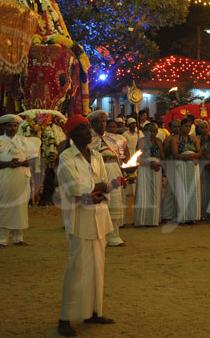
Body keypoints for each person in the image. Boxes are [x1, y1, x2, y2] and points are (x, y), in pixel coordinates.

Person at [57, 114, 115, 337]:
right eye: (82, 128)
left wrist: (98, 190)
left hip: (99, 215)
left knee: (98, 267)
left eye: (88, 128)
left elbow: (104, 184)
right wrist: (95, 188)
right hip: (80, 217)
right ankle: (65, 318)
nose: (88, 132)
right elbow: (74, 188)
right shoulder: (67, 157)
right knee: (77, 268)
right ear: (71, 134)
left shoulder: (97, 156)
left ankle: (94, 312)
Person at [0, 115, 40, 247]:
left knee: (20, 207)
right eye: (9, 126)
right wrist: (8, 164)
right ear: (3, 127)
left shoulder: (25, 141)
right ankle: (2, 239)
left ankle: (18, 237)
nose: (12, 128)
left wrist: (21, 163)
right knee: (4, 207)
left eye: (15, 125)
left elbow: (34, 160)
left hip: (21, 178)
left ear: (18, 127)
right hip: (3, 179)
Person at [87, 110, 129, 247]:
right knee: (101, 204)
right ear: (92, 124)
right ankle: (101, 237)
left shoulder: (115, 139)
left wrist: (124, 174)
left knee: (115, 202)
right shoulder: (88, 140)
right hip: (98, 173)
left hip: (114, 171)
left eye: (104, 121)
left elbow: (121, 158)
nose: (102, 124)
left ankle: (114, 236)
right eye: (99, 121)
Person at [171, 118, 202, 224]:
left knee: (193, 190)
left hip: (193, 167)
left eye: (189, 126)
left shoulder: (194, 139)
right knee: (181, 191)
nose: (187, 128)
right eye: (185, 126)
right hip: (181, 166)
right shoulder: (175, 139)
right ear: (181, 127)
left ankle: (192, 216)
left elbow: (199, 153)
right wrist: (189, 157)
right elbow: (175, 154)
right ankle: (183, 217)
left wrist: (191, 155)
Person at [134, 122, 164, 227]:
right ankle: (142, 219)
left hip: (156, 170)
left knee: (155, 193)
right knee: (144, 192)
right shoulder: (141, 142)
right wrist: (149, 164)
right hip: (144, 169)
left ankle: (153, 219)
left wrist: (158, 164)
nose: (153, 133)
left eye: (155, 131)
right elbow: (137, 159)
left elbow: (163, 156)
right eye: (151, 131)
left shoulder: (159, 141)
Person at [197, 120, 210, 220]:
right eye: (202, 127)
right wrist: (207, 163)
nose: (204, 129)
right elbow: (199, 152)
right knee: (202, 189)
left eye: (206, 127)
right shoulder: (197, 139)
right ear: (198, 129)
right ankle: (203, 213)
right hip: (202, 165)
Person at [161, 119, 181, 222]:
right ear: (171, 128)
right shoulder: (169, 139)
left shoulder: (184, 138)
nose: (177, 128)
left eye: (179, 126)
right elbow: (165, 153)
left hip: (182, 166)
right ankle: (167, 214)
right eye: (175, 127)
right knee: (171, 188)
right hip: (172, 164)